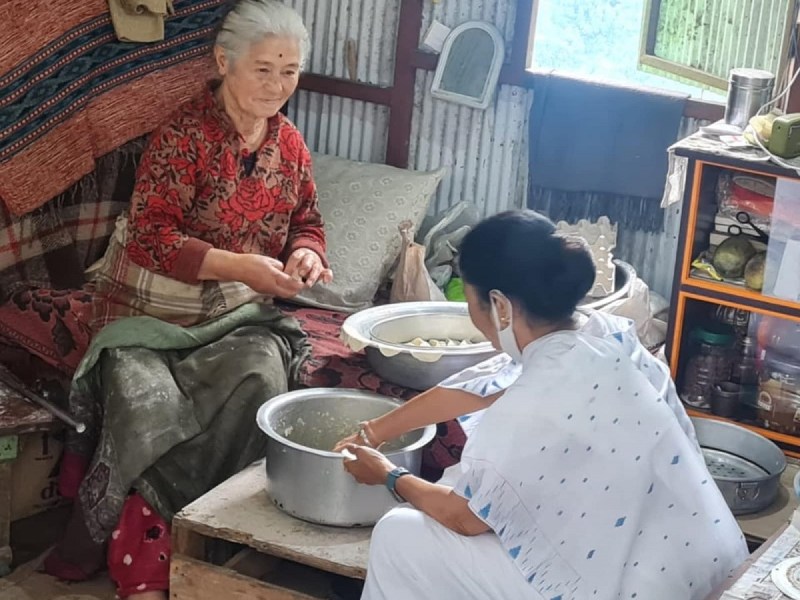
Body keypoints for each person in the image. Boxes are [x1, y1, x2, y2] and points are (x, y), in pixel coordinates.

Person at [44, 3, 329, 599]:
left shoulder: (291, 146)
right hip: (147, 311)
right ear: (224, 62)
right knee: (147, 404)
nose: (277, 86)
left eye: (290, 71)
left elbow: (307, 218)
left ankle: (219, 542)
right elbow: (152, 236)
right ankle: (144, 549)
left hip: (238, 312)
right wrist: (240, 265)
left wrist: (306, 254)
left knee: (259, 378)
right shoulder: (184, 135)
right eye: (264, 69)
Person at [337, 210, 748, 600]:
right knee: (467, 489)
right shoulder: (604, 334)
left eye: (472, 303)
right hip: (707, 563)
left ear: (499, 306)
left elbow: (464, 519)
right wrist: (374, 431)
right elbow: (479, 386)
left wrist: (389, 475)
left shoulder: (533, 401)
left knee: (400, 535)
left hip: (632, 588)